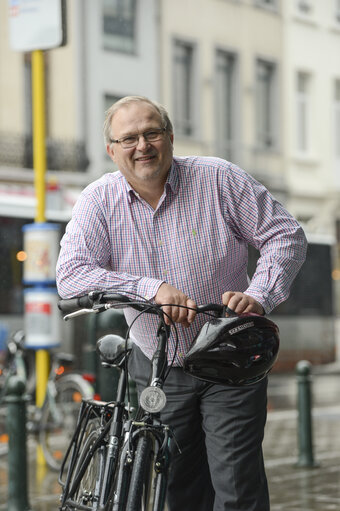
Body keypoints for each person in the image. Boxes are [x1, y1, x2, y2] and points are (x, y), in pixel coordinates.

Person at [56, 95, 307, 511]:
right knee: (173, 484)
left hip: (229, 357)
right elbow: (71, 275)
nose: (143, 146)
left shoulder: (219, 179)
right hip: (157, 365)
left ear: (170, 137)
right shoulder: (98, 201)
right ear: (112, 150)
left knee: (236, 483)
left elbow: (285, 235)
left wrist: (258, 295)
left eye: (152, 133)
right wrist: (150, 289)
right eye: (130, 138)